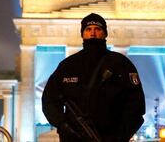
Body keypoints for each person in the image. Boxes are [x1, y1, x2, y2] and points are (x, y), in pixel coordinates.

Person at [42, 13, 146, 142]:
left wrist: (121, 136)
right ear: (82, 33)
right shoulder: (67, 66)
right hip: (73, 138)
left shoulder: (120, 64)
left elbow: (136, 104)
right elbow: (49, 100)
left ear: (105, 33)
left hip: (110, 138)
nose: (93, 33)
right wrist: (63, 125)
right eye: (88, 29)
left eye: (97, 29)